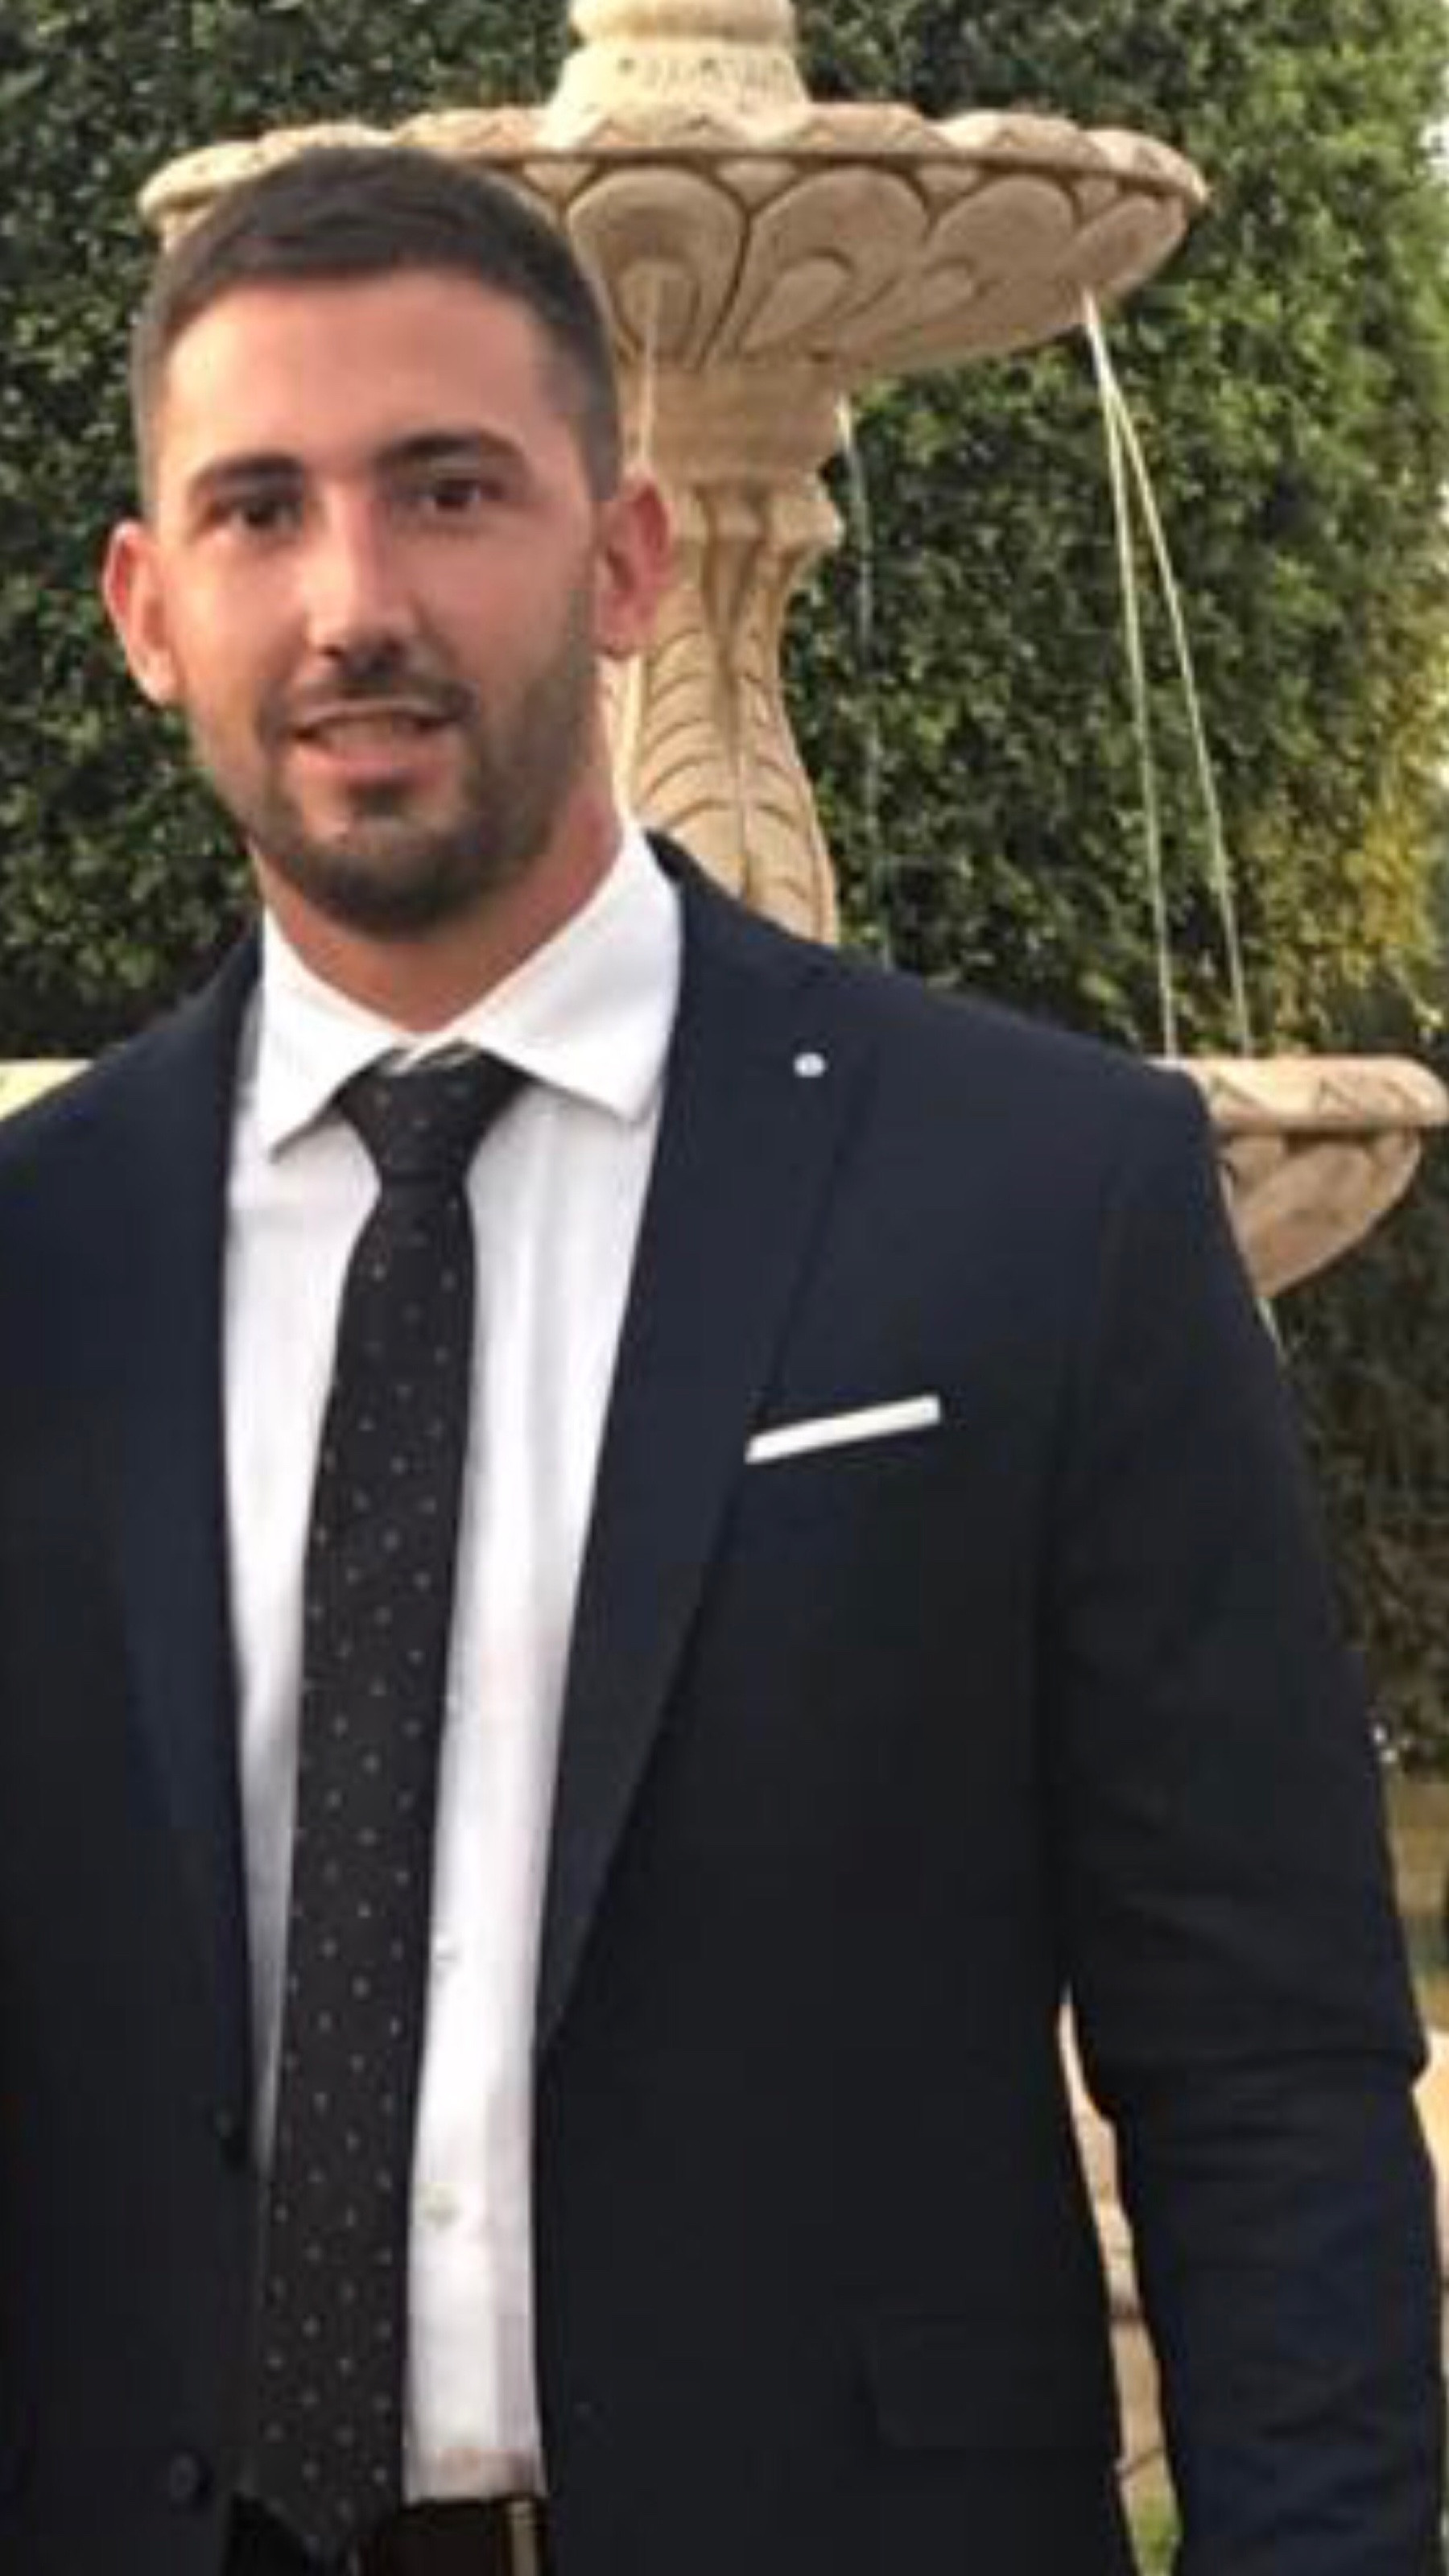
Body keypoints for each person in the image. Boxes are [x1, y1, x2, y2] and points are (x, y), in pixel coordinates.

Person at [0, 142, 1439, 2576]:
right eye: (259, 511)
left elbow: (1266, 2066)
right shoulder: (42, 1260)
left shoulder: (1042, 1199)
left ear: (628, 555)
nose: (355, 603)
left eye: (450, 489)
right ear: (149, 609)